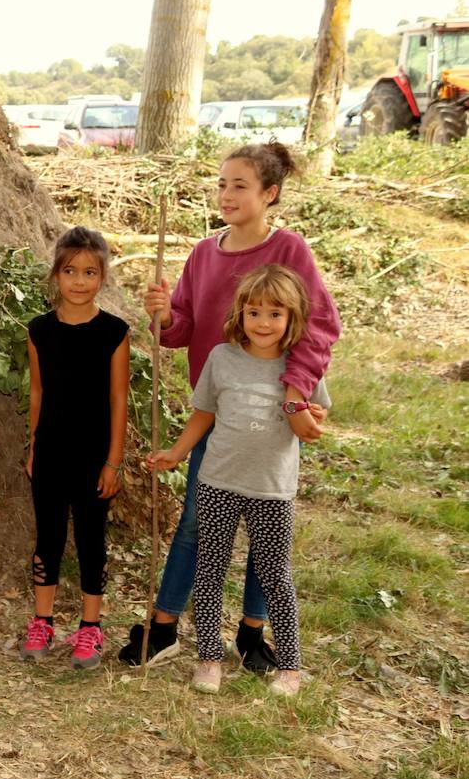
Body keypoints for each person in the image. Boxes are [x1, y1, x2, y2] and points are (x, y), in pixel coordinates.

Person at [122, 143, 340, 669]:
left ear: (270, 194)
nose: (226, 194)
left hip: (273, 417)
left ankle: (252, 633)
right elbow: (185, 329)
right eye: (221, 184)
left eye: (239, 186)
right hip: (218, 414)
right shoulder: (203, 252)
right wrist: (164, 316)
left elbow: (319, 325)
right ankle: (167, 625)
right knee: (199, 521)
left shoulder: (290, 251)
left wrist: (295, 389)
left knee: (268, 531)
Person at [149, 265, 329, 697]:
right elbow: (204, 414)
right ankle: (208, 658)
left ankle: (290, 667)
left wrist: (312, 417)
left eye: (274, 315)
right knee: (210, 570)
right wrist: (176, 452)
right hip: (218, 481)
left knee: (275, 574)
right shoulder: (222, 359)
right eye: (254, 313)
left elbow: (317, 417)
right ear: (240, 315)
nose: (263, 323)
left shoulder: (301, 369)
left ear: (292, 319)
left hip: (272, 487)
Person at [20, 227, 130, 670]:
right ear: (56, 275)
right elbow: (37, 393)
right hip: (50, 452)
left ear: (102, 276)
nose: (80, 281)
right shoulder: (39, 330)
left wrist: (114, 461)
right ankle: (42, 620)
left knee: (89, 538)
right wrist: (32, 447)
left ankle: (90, 628)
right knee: (47, 537)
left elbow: (119, 399)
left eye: (90, 272)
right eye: (70, 271)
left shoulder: (114, 332)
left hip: (93, 456)